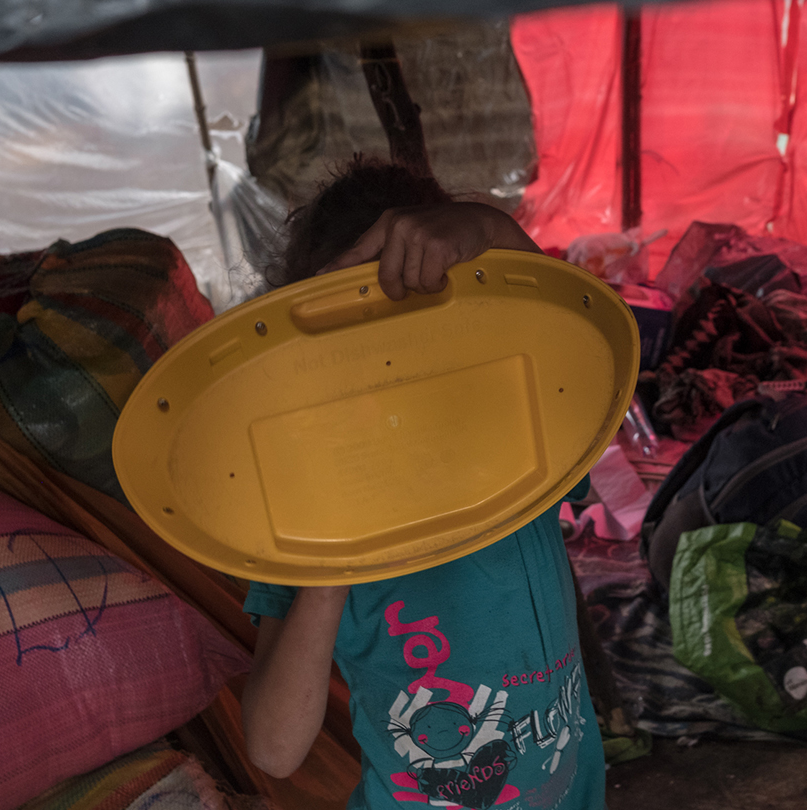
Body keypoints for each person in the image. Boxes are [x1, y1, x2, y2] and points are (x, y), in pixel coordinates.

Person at [241, 156, 607, 810]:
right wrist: (332, 562)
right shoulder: (301, 514)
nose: (390, 383)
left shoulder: (519, 447)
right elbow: (274, 749)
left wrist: (489, 227)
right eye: (358, 362)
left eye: (415, 349)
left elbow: (590, 353)